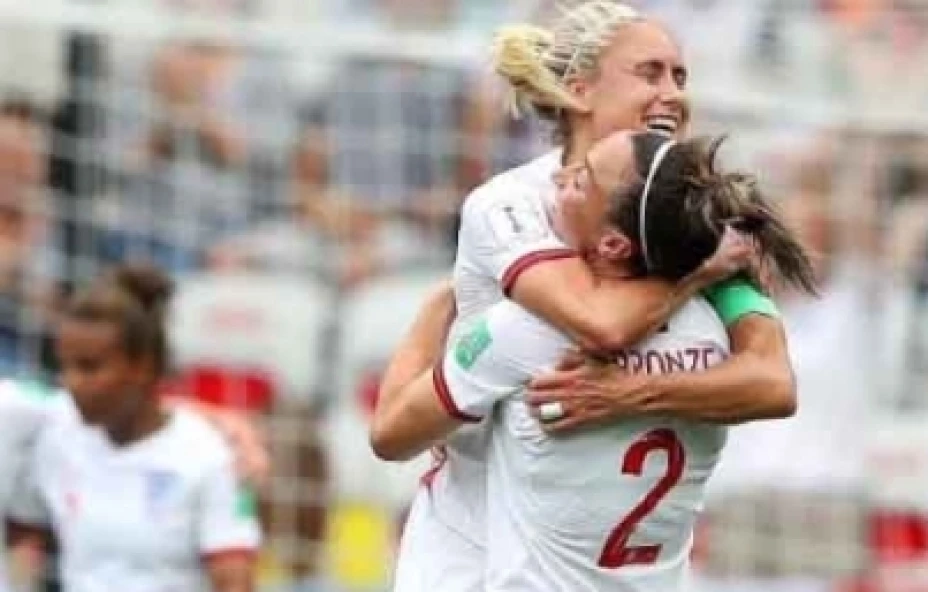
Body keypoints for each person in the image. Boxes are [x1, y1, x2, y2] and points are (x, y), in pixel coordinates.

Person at [376, 3, 799, 591]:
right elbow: (597, 323)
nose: (672, 94)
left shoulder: (695, 220)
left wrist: (633, 393)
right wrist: (697, 275)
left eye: (680, 78)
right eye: (649, 73)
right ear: (580, 90)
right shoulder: (513, 204)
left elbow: (774, 382)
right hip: (468, 542)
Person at [7, 264, 261, 592]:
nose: (71, 383)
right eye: (64, 367)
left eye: (88, 367)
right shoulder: (54, 437)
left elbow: (234, 580)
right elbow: (23, 530)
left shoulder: (211, 455)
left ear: (142, 366)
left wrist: (220, 420)